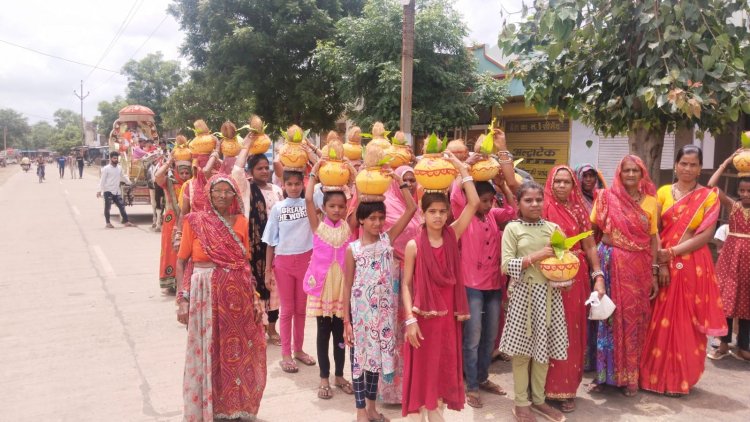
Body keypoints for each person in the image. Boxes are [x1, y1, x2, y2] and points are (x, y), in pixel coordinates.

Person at [175, 174, 266, 421]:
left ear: (235, 195)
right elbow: (183, 261)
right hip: (204, 295)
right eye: (218, 191)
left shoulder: (241, 223)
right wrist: (183, 298)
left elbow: (245, 263)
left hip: (237, 298)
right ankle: (208, 406)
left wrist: (255, 297)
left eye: (228, 191)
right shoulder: (194, 221)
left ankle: (234, 406)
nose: (223, 196)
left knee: (236, 352)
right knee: (208, 350)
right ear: (209, 194)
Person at [641, 145, 728, 396]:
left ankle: (681, 377)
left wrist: (672, 254)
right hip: (664, 261)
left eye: (693, 164)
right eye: (684, 163)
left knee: (687, 321)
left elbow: (706, 235)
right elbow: (654, 230)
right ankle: (654, 376)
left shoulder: (709, 196)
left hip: (692, 265)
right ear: (676, 164)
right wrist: (661, 263)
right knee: (659, 318)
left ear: (701, 168)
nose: (688, 169)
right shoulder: (663, 192)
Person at [401, 151, 477, 421]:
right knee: (422, 374)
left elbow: (474, 202)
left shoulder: (452, 234)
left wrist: (460, 168)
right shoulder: (413, 245)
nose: (438, 216)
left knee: (442, 371)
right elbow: (406, 286)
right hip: (421, 322)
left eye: (443, 211)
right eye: (432, 211)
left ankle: (436, 414)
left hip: (447, 322)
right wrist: (409, 320)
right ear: (422, 214)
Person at [342, 171, 417, 422]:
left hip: (383, 317)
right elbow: (347, 286)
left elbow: (411, 208)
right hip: (361, 318)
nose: (377, 222)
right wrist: (346, 320)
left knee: (376, 364)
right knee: (359, 363)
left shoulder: (388, 240)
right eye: (372, 218)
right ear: (360, 221)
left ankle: (373, 409)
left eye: (380, 218)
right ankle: (361, 411)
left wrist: (400, 182)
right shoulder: (353, 250)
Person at [588, 155, 660, 397]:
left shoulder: (651, 202)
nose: (630, 174)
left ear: (642, 174)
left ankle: (630, 377)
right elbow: (593, 232)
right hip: (610, 265)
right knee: (606, 319)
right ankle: (603, 376)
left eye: (635, 170)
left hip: (638, 268)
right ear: (619, 173)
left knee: (633, 322)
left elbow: (652, 238)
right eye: (626, 170)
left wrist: (654, 271)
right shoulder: (605, 198)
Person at [500, 181, 568, 422]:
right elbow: (506, 265)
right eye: (528, 200)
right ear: (518, 204)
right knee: (522, 354)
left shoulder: (553, 229)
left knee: (543, 351)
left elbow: (563, 264)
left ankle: (538, 400)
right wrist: (538, 255)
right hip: (523, 296)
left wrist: (563, 280)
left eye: (538, 199)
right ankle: (521, 403)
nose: (534, 204)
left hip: (550, 297)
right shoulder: (513, 229)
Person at [542, 165, 605, 412]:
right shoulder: (542, 208)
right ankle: (542, 388)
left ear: (573, 185)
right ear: (550, 183)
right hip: (546, 276)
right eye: (557, 181)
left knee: (571, 332)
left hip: (575, 278)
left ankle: (566, 389)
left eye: (566, 182)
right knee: (546, 330)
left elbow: (590, 246)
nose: (561, 186)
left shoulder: (579, 210)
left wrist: (597, 275)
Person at [452, 175, 516, 409]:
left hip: (493, 284)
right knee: (473, 337)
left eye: (491, 200)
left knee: (490, 336)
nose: (488, 205)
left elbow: (511, 212)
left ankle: (481, 377)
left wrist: (504, 188)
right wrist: (466, 169)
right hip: (471, 285)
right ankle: (470, 385)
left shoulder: (492, 215)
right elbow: (457, 194)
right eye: (484, 200)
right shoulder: (465, 216)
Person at [305, 159, 358, 399]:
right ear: (324, 207)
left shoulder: (349, 226)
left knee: (341, 335)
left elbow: (360, 196)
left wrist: (353, 174)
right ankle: (324, 378)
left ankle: (339, 375)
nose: (337, 210)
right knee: (323, 333)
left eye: (341, 206)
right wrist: (315, 172)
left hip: (342, 290)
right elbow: (307, 199)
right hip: (324, 289)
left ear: (346, 207)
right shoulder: (317, 226)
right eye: (332, 206)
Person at [233, 133, 285, 347]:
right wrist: (245, 146)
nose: (264, 171)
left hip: (276, 248)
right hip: (254, 249)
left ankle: (272, 328)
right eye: (260, 168)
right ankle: (257, 328)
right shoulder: (246, 189)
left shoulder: (277, 190)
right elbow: (236, 171)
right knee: (256, 286)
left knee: (274, 289)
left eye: (266, 168)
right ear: (251, 172)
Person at [262, 170, 317, 373]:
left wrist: (316, 168)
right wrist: (268, 270)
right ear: (282, 185)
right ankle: (286, 354)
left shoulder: (309, 205)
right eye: (289, 184)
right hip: (283, 263)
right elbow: (270, 241)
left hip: (305, 261)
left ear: (303, 184)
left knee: (301, 309)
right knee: (287, 310)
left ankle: (299, 350)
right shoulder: (277, 209)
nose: (294, 188)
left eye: (297, 184)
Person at [707, 151, 750, 361]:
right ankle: (723, 344)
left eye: (749, 191)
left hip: (748, 264)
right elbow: (712, 186)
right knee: (727, 300)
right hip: (731, 261)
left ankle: (744, 346)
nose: (745, 194)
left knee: (747, 302)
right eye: (742, 190)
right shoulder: (733, 207)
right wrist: (725, 163)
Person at [153, 142, 193, 292]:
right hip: (171, 221)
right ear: (176, 171)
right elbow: (157, 175)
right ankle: (171, 282)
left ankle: (184, 281)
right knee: (170, 250)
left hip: (187, 221)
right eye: (181, 173)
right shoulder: (169, 182)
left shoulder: (192, 185)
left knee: (186, 250)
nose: (183, 176)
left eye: (186, 173)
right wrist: (169, 161)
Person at [97, 151, 134, 229]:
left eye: (117, 158)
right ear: (110, 159)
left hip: (116, 191)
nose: (116, 160)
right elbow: (102, 180)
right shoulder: (106, 169)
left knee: (121, 206)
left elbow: (123, 176)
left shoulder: (119, 168)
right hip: (108, 191)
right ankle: (108, 223)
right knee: (108, 207)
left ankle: (126, 221)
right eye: (114, 158)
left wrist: (130, 182)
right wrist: (99, 190)